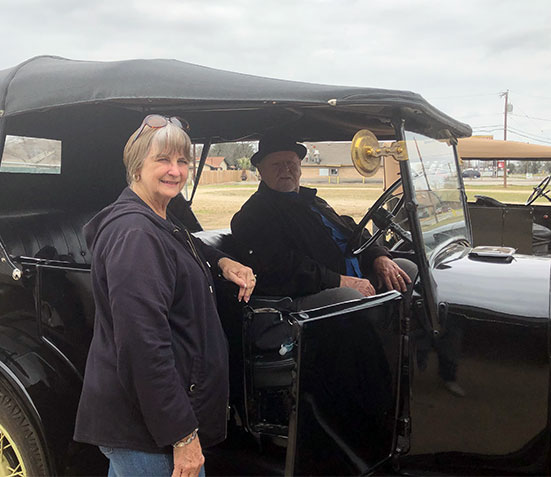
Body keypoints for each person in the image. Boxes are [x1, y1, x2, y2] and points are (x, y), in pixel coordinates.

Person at [74, 115, 256, 477]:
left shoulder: (157, 218)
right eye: (163, 159)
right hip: (149, 434)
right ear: (137, 166)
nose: (175, 170)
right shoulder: (136, 236)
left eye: (182, 161)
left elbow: (182, 246)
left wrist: (222, 261)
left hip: (150, 426)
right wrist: (182, 435)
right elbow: (143, 347)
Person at [231, 133, 416, 310]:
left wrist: (379, 256)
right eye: (276, 165)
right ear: (261, 170)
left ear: (300, 166)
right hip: (309, 295)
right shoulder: (254, 215)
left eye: (290, 163)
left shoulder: (313, 201)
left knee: (406, 269)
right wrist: (339, 281)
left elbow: (351, 229)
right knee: (350, 299)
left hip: (354, 277)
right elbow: (283, 267)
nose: (285, 170)